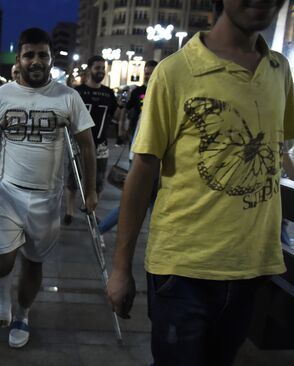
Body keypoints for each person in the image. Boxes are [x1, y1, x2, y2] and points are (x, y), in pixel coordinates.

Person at [106, 2, 294, 365]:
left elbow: (277, 144)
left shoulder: (278, 68)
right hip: (183, 271)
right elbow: (142, 170)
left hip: (251, 266)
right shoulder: (175, 71)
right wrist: (120, 268)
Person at [0, 27, 97, 348]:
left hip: (48, 197)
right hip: (7, 192)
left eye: (42, 55)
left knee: (34, 262)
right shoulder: (1, 96)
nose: (36, 61)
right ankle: (2, 297)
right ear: (19, 59)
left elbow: (87, 148)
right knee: (0, 262)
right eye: (29, 55)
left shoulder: (68, 97)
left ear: (50, 59)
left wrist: (89, 191)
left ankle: (22, 313)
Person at [98, 60, 158, 234]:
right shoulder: (139, 92)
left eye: (152, 72)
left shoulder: (163, 91)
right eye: (146, 72)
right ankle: (101, 228)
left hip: (155, 154)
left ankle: (155, 239)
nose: (148, 75)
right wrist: (121, 128)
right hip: (139, 150)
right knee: (134, 199)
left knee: (148, 199)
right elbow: (124, 112)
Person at [64, 55, 117, 225]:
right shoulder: (78, 92)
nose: (100, 71)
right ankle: (69, 211)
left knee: (99, 180)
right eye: (97, 68)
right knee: (74, 179)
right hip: (78, 144)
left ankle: (91, 210)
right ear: (89, 70)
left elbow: (115, 114)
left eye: (103, 68)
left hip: (101, 144)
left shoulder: (109, 93)